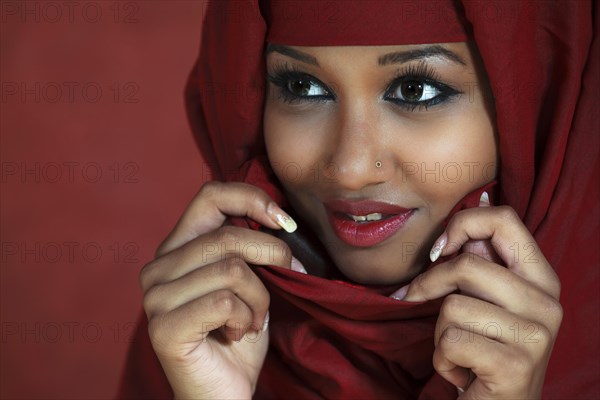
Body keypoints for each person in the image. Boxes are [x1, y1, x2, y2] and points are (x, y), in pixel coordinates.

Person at [119, 1, 599, 399]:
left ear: (536, 114)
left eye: (416, 90)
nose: (349, 170)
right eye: (302, 86)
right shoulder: (199, 325)